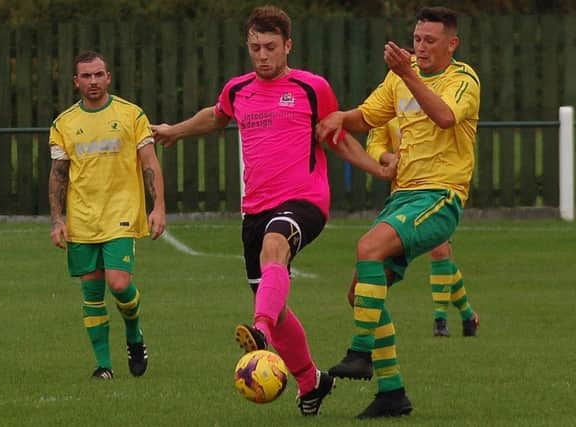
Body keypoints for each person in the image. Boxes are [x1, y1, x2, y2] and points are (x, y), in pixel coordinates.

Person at [151, 5, 395, 416]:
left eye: (269, 47)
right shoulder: (237, 89)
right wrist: (174, 131)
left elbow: (335, 138)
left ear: (287, 46)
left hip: (304, 201)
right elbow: (216, 117)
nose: (262, 55)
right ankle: (311, 381)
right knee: (274, 301)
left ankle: (259, 332)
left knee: (275, 246)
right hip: (254, 209)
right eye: (254, 48)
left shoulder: (311, 87)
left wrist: (377, 169)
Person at [316, 6, 480, 419]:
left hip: (440, 197)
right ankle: (392, 393)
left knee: (367, 246)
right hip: (403, 197)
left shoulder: (463, 79)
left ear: (452, 44)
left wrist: (408, 73)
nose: (420, 48)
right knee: (360, 295)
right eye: (417, 39)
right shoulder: (397, 78)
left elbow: (444, 118)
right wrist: (339, 117)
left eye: (430, 41)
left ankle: (359, 354)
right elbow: (366, 117)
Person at [48, 50, 166, 380]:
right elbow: (58, 174)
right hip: (83, 217)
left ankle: (134, 334)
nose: (93, 81)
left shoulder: (131, 115)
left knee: (119, 283)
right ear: (76, 82)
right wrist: (58, 219)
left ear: (108, 77)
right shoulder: (64, 124)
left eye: (99, 74)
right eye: (86, 76)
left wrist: (158, 207)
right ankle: (104, 366)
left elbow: (149, 164)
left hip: (121, 212)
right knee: (92, 293)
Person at [350, 121, 479, 338]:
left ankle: (440, 319)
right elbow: (374, 144)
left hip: (438, 188)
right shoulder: (390, 97)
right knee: (442, 254)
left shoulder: (435, 96)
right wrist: (387, 157)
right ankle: (467, 314)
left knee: (439, 250)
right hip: (405, 194)